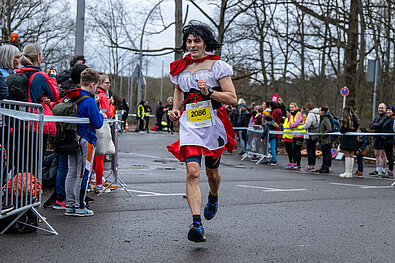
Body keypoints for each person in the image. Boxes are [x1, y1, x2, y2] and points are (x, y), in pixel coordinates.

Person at [167, 21, 237, 242]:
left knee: (211, 173)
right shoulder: (180, 67)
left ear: (205, 43)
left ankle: (213, 196)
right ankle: (196, 223)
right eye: (189, 41)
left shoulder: (217, 66)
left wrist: (209, 93)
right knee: (192, 172)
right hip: (190, 123)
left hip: (213, 122)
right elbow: (179, 89)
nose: (192, 45)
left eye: (197, 41)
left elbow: (232, 98)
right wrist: (176, 109)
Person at [65, 68, 104, 216]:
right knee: (83, 173)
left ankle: (70, 205)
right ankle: (80, 206)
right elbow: (97, 123)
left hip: (71, 139)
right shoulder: (89, 101)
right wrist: (100, 114)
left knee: (71, 172)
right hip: (86, 140)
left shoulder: (71, 97)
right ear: (92, 84)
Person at [92, 75, 111, 193]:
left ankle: (89, 184)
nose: (108, 85)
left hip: (92, 128)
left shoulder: (93, 94)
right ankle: (99, 184)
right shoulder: (103, 96)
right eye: (107, 83)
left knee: (92, 158)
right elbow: (108, 113)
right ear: (100, 83)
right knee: (100, 158)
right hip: (101, 127)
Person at [339, 106, 359, 178]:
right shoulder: (355, 119)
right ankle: (350, 172)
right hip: (353, 138)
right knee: (351, 155)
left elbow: (342, 130)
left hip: (346, 139)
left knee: (347, 154)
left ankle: (347, 171)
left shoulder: (345, 121)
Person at [369, 103, 388, 177]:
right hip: (376, 137)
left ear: (385, 109)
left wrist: (375, 125)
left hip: (382, 138)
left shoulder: (386, 117)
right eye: (379, 107)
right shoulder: (377, 117)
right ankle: (377, 169)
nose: (380, 109)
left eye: (382, 108)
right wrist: (376, 125)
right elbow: (371, 125)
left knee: (382, 154)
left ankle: (383, 170)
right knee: (376, 154)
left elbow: (380, 125)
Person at [301, 102, 320, 171]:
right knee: (313, 149)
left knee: (309, 150)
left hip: (309, 134)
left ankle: (309, 165)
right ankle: (313, 164)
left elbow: (307, 124)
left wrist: (303, 126)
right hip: (315, 134)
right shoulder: (318, 114)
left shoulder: (310, 114)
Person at [289, 102, 305, 169]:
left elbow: (295, 124)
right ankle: (294, 163)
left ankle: (298, 164)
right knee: (293, 149)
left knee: (297, 150)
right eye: (290, 107)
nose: (291, 109)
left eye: (292, 107)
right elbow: (290, 124)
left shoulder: (299, 114)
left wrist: (292, 125)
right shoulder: (291, 115)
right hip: (294, 135)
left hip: (300, 135)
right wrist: (292, 125)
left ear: (295, 107)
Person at [317, 106, 332, 173]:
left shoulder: (325, 119)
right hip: (323, 140)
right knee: (324, 153)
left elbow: (329, 129)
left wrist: (323, 135)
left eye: (320, 111)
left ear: (323, 112)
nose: (318, 112)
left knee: (327, 153)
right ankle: (324, 165)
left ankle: (327, 167)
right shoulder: (322, 119)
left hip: (326, 139)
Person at [381, 105, 395, 178]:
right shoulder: (387, 119)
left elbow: (392, 130)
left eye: (390, 110)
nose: (388, 112)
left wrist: (386, 135)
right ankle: (388, 170)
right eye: (387, 110)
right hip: (386, 140)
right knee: (388, 155)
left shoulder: (393, 119)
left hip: (389, 140)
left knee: (389, 156)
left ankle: (390, 171)